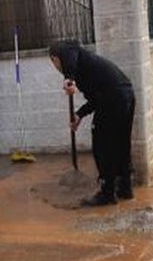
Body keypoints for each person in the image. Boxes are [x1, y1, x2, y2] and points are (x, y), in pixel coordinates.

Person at [48, 40, 135, 206]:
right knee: (121, 143)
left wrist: (69, 79)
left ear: (55, 59)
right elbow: (96, 99)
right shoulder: (85, 68)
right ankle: (125, 187)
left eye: (55, 63)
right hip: (125, 95)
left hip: (113, 99)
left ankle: (107, 193)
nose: (56, 68)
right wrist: (80, 115)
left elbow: (69, 52)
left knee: (102, 146)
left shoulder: (71, 55)